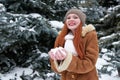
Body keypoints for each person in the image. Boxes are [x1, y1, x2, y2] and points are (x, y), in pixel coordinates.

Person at [48, 8, 99, 80]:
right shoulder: (61, 37)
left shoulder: (89, 35)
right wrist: (56, 59)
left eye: (75, 17)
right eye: (68, 18)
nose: (71, 19)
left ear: (81, 21)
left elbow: (90, 63)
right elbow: (58, 69)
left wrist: (67, 58)